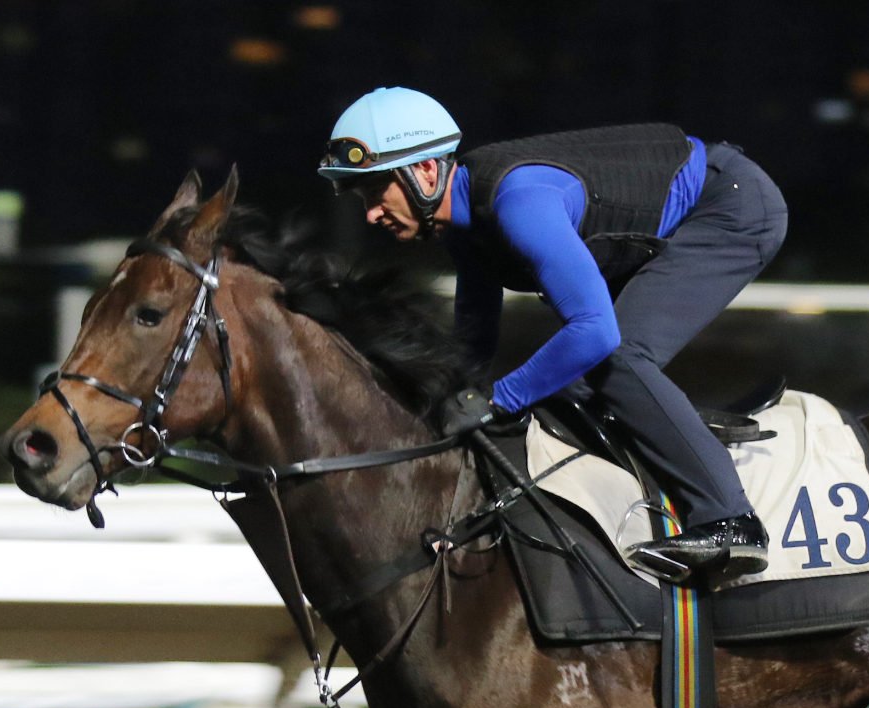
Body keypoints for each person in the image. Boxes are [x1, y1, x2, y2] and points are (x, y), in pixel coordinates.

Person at [317, 86, 788, 585]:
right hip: (687, 211)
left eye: (374, 190)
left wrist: (498, 401)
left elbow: (595, 333)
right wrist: (443, 406)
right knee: (571, 386)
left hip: (731, 208)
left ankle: (732, 521)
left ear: (426, 172)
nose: (370, 212)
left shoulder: (519, 204)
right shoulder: (467, 226)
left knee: (618, 357)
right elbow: (474, 338)